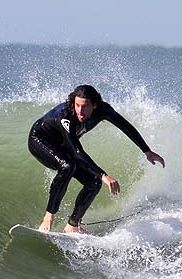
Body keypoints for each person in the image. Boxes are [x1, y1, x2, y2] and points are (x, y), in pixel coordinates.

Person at [28, 84, 165, 233]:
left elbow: (126, 127)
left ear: (94, 105)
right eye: (77, 105)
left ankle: (72, 225)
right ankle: (48, 217)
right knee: (67, 166)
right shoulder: (65, 116)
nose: (80, 111)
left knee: (94, 182)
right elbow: (77, 152)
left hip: (63, 145)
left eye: (85, 106)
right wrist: (104, 175)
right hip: (40, 140)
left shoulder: (103, 110)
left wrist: (147, 151)